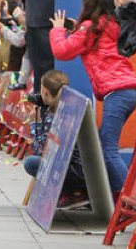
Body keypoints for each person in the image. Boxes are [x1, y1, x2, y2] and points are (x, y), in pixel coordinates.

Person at [49, 0, 136, 195]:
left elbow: (62, 51)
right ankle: (106, 194)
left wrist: (57, 30)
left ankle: (126, 198)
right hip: (128, 91)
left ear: (88, 2)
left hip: (116, 92)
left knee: (108, 150)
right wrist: (75, 30)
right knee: (101, 144)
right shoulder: (110, 24)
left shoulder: (89, 29)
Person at [23, 70, 88, 209]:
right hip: (85, 170)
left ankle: (72, 193)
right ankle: (73, 193)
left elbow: (40, 150)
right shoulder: (70, 107)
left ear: (45, 91)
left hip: (74, 173)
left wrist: (35, 123)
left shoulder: (54, 114)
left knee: (31, 163)